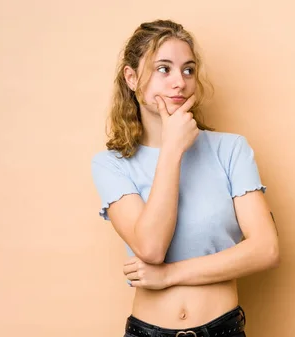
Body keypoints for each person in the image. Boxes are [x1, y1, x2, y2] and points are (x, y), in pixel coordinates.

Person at [90, 19, 280, 337]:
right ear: (132, 77)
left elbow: (266, 249)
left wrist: (168, 276)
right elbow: (151, 248)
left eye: (188, 70)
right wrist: (172, 149)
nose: (180, 82)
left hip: (223, 330)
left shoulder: (231, 149)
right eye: (164, 68)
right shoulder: (112, 164)